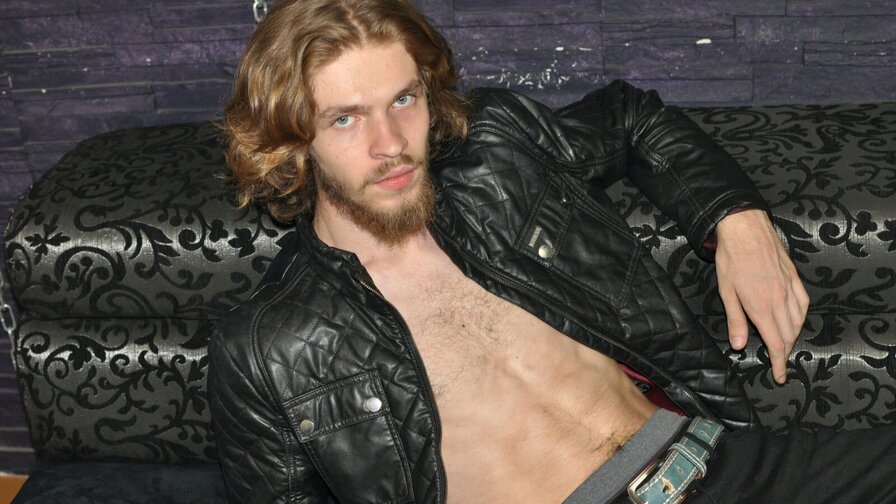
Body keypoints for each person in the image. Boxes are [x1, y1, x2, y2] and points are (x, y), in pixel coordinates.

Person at [208, 1, 896, 503]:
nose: (390, 143)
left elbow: (631, 117)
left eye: (404, 99)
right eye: (345, 118)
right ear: (291, 141)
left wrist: (737, 221)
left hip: (724, 464)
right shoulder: (268, 345)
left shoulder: (497, 155)